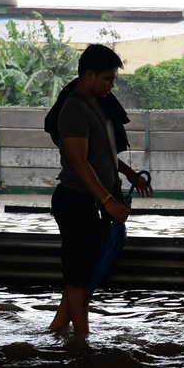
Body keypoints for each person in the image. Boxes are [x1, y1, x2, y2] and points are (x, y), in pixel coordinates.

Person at [48, 44, 152, 333]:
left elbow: (103, 154)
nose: (112, 85)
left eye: (113, 79)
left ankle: (57, 331)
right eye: (107, 79)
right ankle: (81, 341)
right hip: (77, 202)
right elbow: (79, 162)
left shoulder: (98, 106)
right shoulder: (74, 109)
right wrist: (107, 199)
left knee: (83, 274)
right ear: (89, 74)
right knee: (79, 277)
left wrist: (131, 174)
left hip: (91, 203)